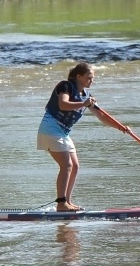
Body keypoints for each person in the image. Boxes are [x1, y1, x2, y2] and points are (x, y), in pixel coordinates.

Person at [37, 62, 116, 212]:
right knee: (66, 165)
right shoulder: (65, 86)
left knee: (75, 166)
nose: (91, 81)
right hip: (51, 127)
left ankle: (67, 201)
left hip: (64, 132)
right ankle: (61, 204)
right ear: (78, 76)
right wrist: (83, 103)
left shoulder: (87, 97)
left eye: (92, 78)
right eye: (88, 78)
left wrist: (122, 128)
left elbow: (101, 116)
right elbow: (63, 104)